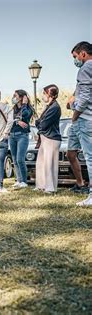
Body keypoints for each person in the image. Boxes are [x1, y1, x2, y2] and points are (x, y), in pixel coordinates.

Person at [70, 41, 92, 205]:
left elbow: (84, 98)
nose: (75, 60)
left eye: (75, 56)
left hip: (86, 119)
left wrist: (75, 113)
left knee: (90, 158)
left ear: (83, 54)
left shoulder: (85, 68)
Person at [34, 84, 62, 193]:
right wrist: (39, 123)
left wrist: (38, 123)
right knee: (41, 162)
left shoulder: (55, 107)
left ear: (49, 94)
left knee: (49, 163)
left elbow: (43, 124)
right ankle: (41, 185)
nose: (43, 96)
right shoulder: (50, 106)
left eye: (44, 93)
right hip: (46, 138)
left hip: (51, 138)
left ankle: (50, 187)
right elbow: (41, 123)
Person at [9, 90, 34, 189]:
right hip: (12, 135)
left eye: (15, 96)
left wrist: (24, 104)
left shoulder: (28, 109)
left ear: (22, 97)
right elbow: (9, 119)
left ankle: (24, 181)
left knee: (20, 159)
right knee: (14, 160)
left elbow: (25, 115)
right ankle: (18, 180)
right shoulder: (13, 109)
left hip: (22, 135)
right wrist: (17, 121)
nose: (13, 98)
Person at [66, 94, 88, 193]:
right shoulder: (79, 88)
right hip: (75, 124)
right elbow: (68, 104)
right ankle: (80, 183)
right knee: (70, 155)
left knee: (89, 155)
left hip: (87, 123)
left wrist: (75, 109)